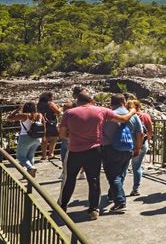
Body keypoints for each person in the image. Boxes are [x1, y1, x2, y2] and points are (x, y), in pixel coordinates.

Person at [58, 87, 139, 220]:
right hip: (95, 150)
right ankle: (93, 210)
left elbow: (62, 134)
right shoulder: (101, 110)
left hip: (75, 150)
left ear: (77, 101)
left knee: (70, 179)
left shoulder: (69, 113)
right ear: (92, 100)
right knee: (94, 180)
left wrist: (72, 137)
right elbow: (124, 119)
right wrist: (132, 111)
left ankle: (62, 206)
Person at [101, 94, 144, 214]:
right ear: (123, 102)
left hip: (110, 149)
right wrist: (137, 149)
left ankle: (120, 202)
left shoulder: (108, 115)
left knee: (113, 176)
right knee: (120, 173)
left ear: (111, 102)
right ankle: (112, 194)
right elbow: (140, 134)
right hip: (128, 148)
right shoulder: (133, 116)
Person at [7, 102, 45, 177]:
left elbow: (9, 118)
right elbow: (44, 126)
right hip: (37, 138)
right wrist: (43, 136)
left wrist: (17, 110)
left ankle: (31, 168)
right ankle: (29, 175)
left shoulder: (24, 115)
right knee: (30, 156)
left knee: (20, 156)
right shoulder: (39, 115)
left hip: (25, 137)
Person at [127, 99, 153, 197]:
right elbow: (150, 130)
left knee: (124, 167)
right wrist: (148, 140)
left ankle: (117, 189)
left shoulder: (129, 116)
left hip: (131, 143)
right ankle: (136, 189)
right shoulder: (146, 116)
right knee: (137, 167)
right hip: (143, 143)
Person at [38, 92, 62, 161]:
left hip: (42, 122)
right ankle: (51, 154)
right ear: (49, 97)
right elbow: (58, 112)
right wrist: (59, 108)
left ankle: (43, 155)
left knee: (44, 139)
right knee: (54, 138)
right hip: (51, 122)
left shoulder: (39, 104)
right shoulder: (50, 103)